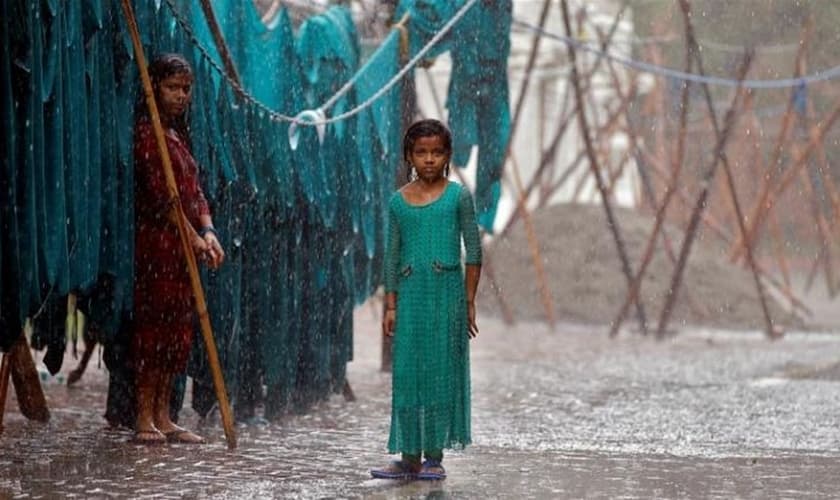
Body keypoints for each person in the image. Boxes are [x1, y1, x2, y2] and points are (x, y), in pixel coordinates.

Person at [371, 119, 482, 480]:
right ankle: (408, 458)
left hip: (446, 297)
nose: (429, 159)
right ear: (409, 156)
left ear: (447, 155)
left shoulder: (458, 197)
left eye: (436, 152)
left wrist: (468, 301)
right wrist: (390, 305)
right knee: (407, 373)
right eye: (421, 153)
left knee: (438, 373)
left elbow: (475, 250)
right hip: (410, 296)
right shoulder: (398, 203)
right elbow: (391, 256)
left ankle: (434, 458)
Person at [131, 53, 225, 444]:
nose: (180, 95)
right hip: (158, 246)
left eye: (186, 89)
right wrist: (192, 236)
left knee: (176, 332)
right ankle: (142, 416)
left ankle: (165, 415)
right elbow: (164, 199)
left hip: (185, 249)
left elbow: (194, 192)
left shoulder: (178, 137)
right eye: (172, 87)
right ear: (154, 88)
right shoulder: (147, 135)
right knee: (154, 330)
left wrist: (209, 230)